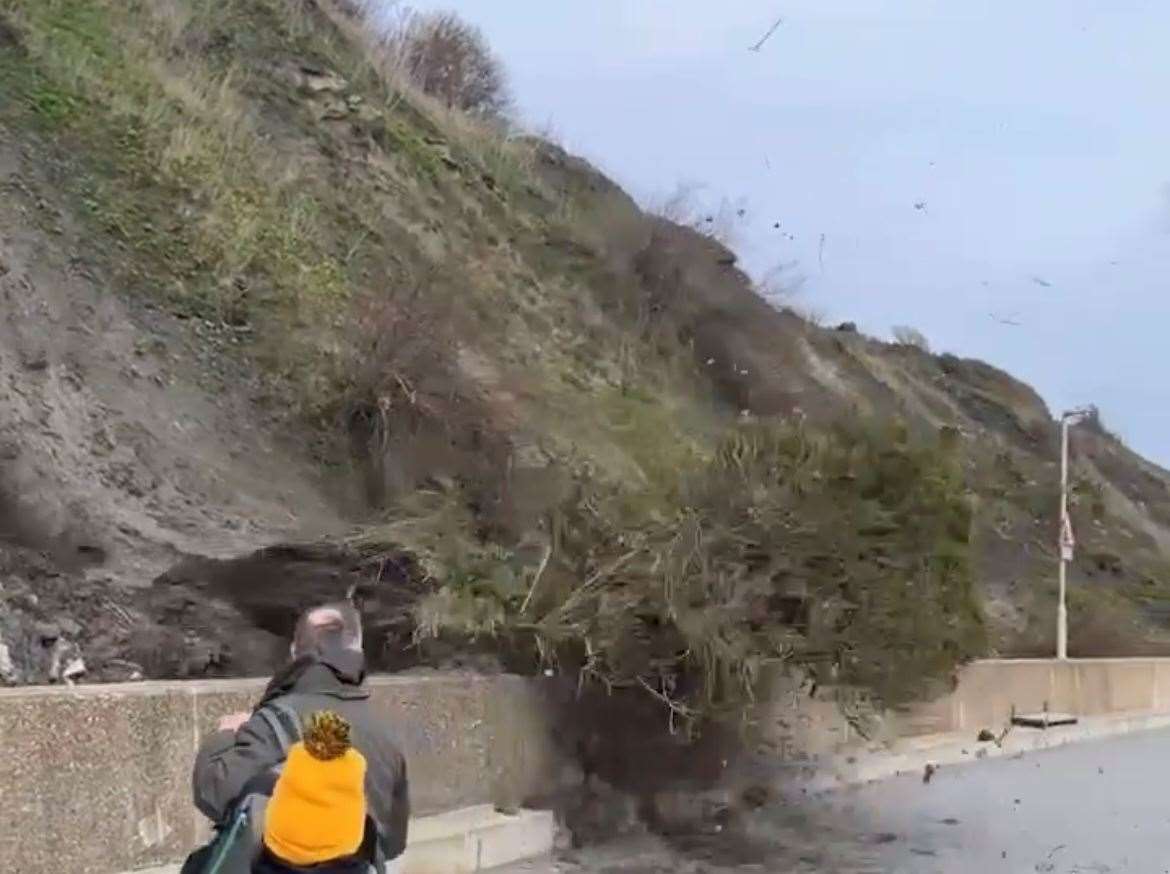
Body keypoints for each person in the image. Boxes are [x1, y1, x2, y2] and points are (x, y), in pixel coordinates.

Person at [188, 602, 409, 872]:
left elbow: (214, 794)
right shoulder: (385, 736)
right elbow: (393, 842)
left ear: (294, 651)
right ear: (358, 650)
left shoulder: (272, 722)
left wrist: (224, 735)